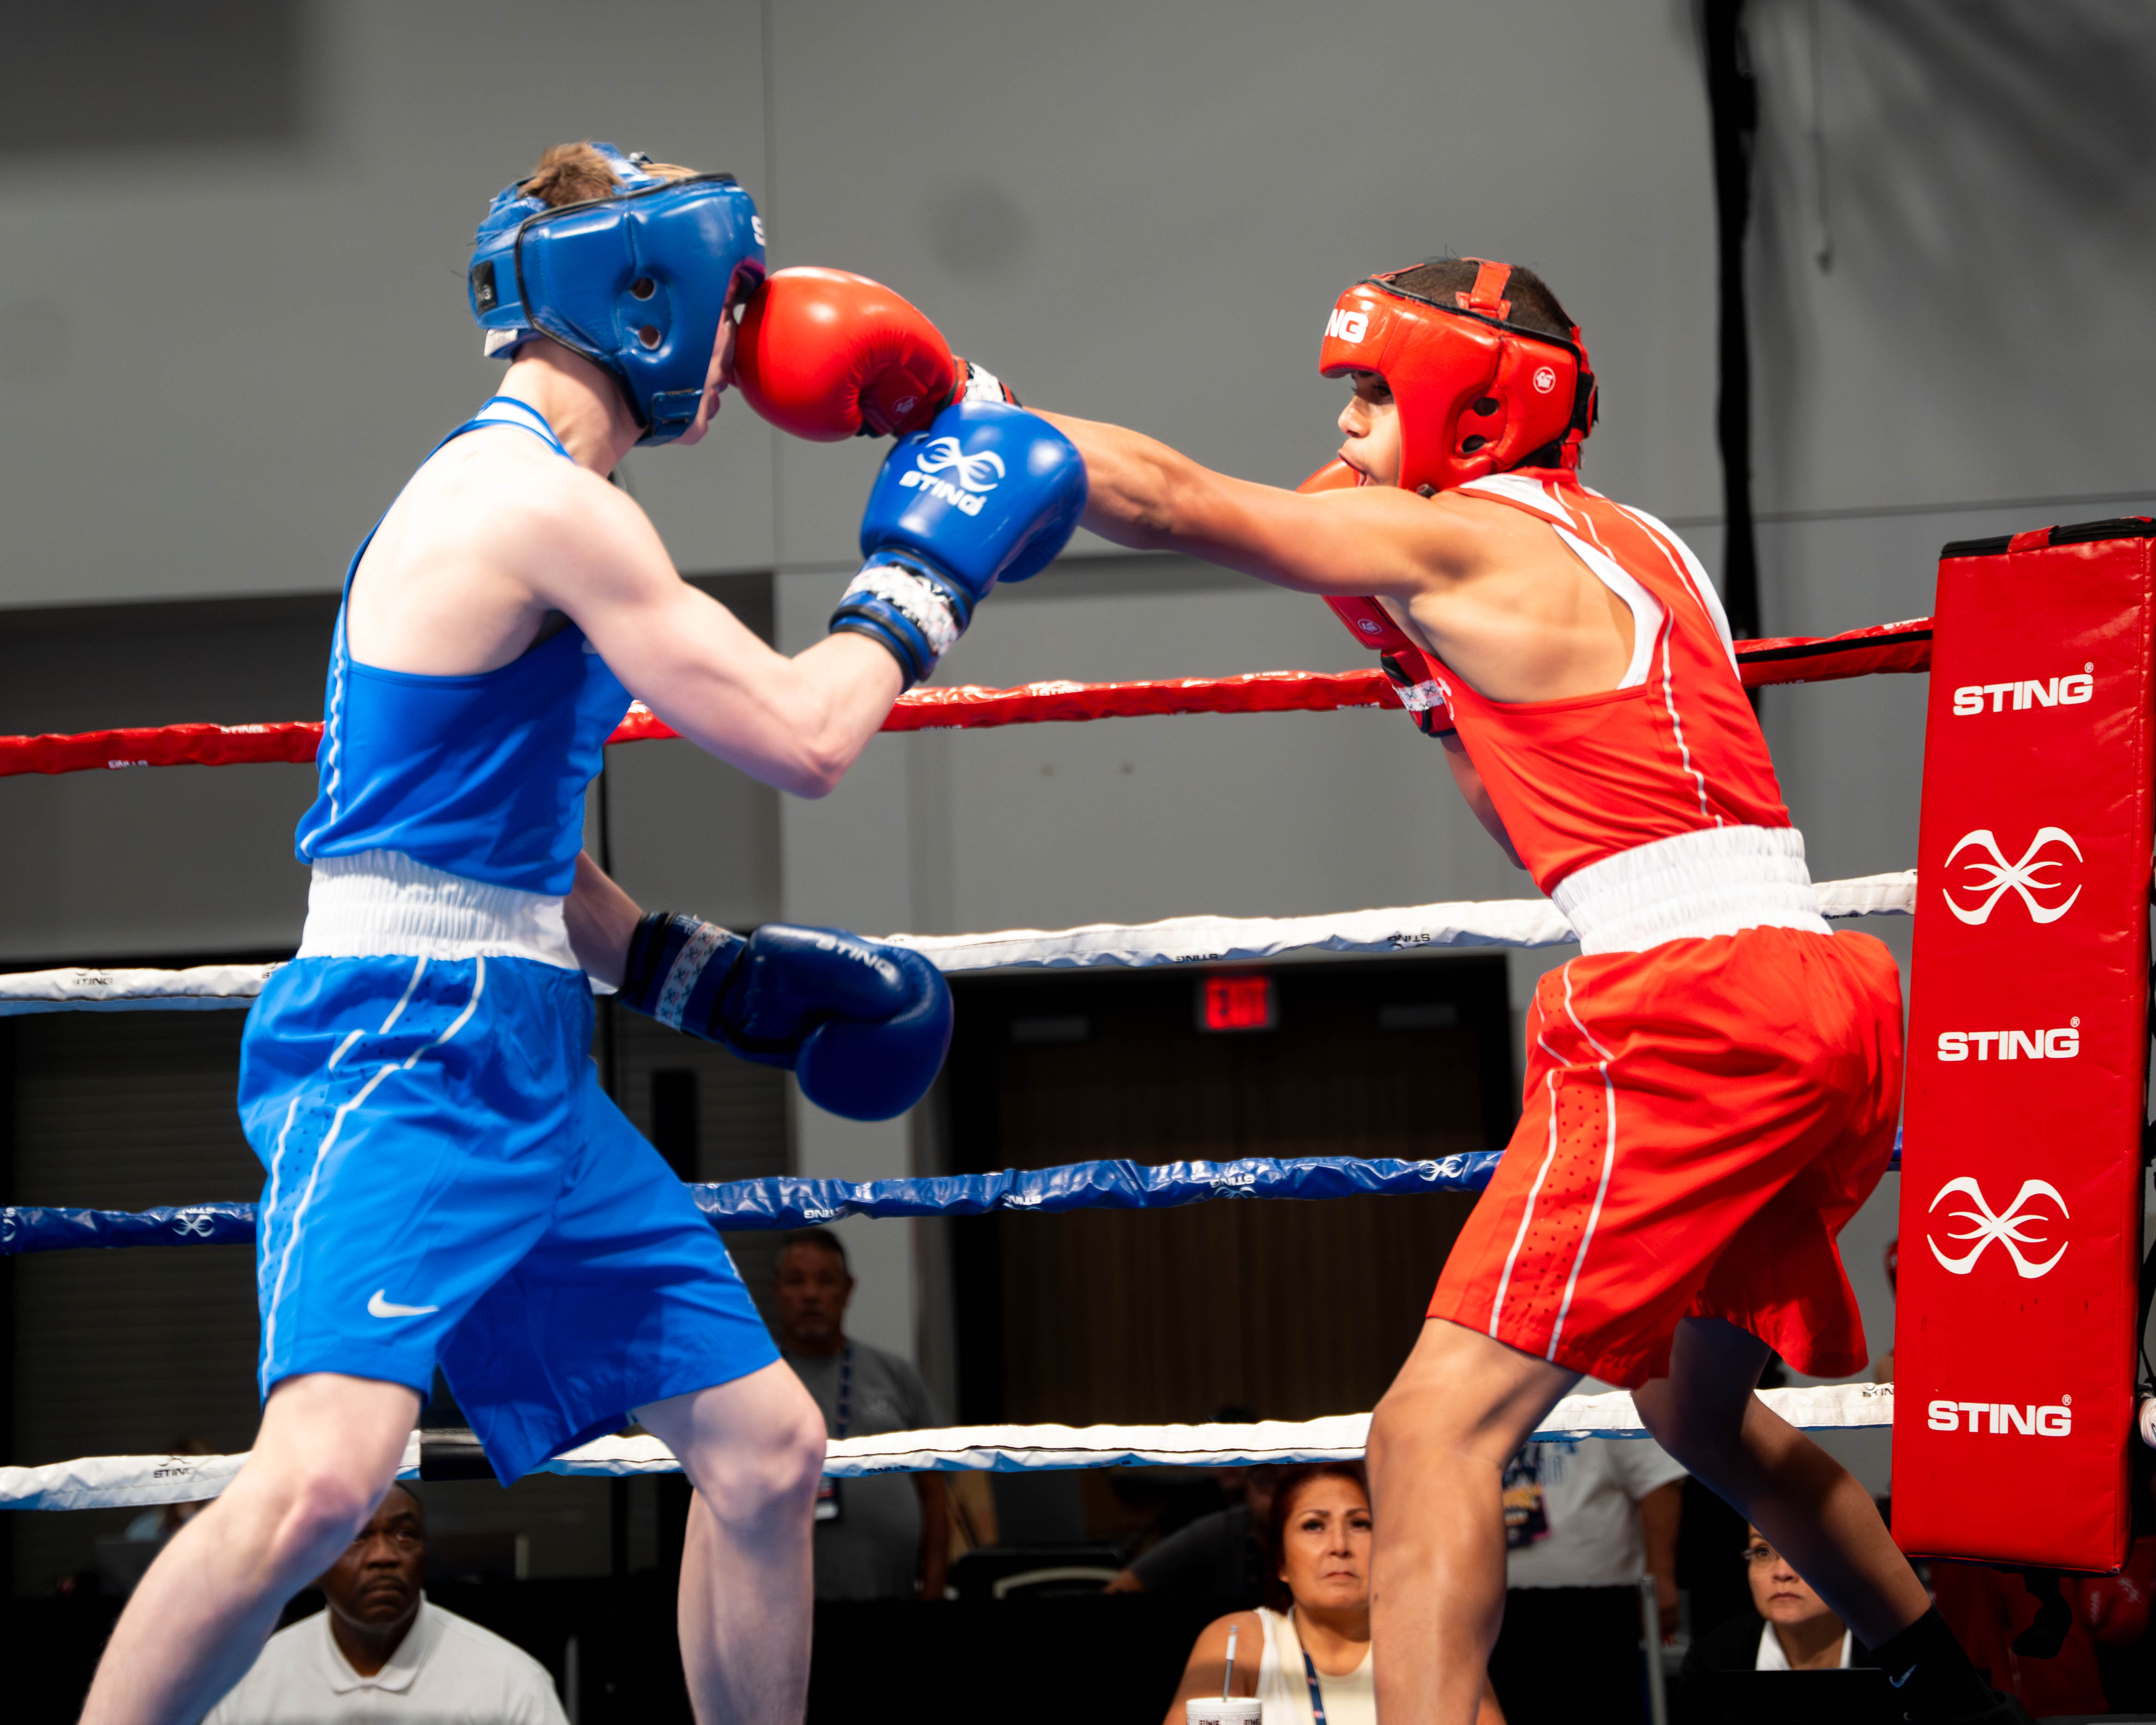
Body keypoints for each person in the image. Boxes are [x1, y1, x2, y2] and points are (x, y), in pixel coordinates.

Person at [724, 253, 2021, 1725]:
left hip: (1691, 1008)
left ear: (1468, 409)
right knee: (1693, 1410)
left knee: (1427, 1435)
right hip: (1830, 996)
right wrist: (1421, 680)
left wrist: (988, 419)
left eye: (1365, 391)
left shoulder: (1463, 547)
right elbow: (1527, 778)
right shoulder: (1641, 543)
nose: (1342, 423)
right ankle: (1956, 1690)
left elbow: (1175, 502)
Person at [81, 143, 1084, 1725]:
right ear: (658, 293)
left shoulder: (557, 501)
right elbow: (803, 737)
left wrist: (696, 974)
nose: (753, 332)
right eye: (735, 293)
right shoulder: (532, 501)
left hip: (523, 1035)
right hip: (401, 1039)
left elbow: (514, 853)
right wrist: (925, 566)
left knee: (767, 1449)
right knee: (320, 1486)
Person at [1160, 1462, 1501, 1725]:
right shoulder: (1238, 1641)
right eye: (1314, 1526)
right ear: (1281, 1562)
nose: (1339, 1546)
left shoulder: (1435, 1646)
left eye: (1360, 1524)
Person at [205, 1485, 566, 1725]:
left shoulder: (512, 1681)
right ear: (316, 1562)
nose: (383, 1556)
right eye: (357, 1536)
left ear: (426, 1554)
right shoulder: (247, 1683)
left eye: (404, 1535)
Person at [772, 1228, 949, 1601]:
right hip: (783, 1616)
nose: (810, 1294)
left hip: (895, 1602)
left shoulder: (896, 1376)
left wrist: (933, 1592)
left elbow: (934, 1493)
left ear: (848, 1290)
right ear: (777, 1291)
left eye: (825, 1281)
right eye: (795, 1281)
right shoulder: (752, 1385)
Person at [1501, 1401, 1685, 1639]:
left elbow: (1657, 1479)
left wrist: (1662, 1577)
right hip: (1486, 1599)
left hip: (1598, 1598)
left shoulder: (1607, 1377)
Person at [1683, 1526, 1875, 1675]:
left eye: (1806, 1551)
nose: (1782, 1573)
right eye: (1763, 1552)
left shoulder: (1895, 1662)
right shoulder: (1711, 1665)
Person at [1105, 1461, 1280, 1605]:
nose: (1281, 1494)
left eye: (1295, 1481)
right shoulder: (1219, 1531)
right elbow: (1120, 1589)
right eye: (1268, 1480)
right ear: (1248, 1485)